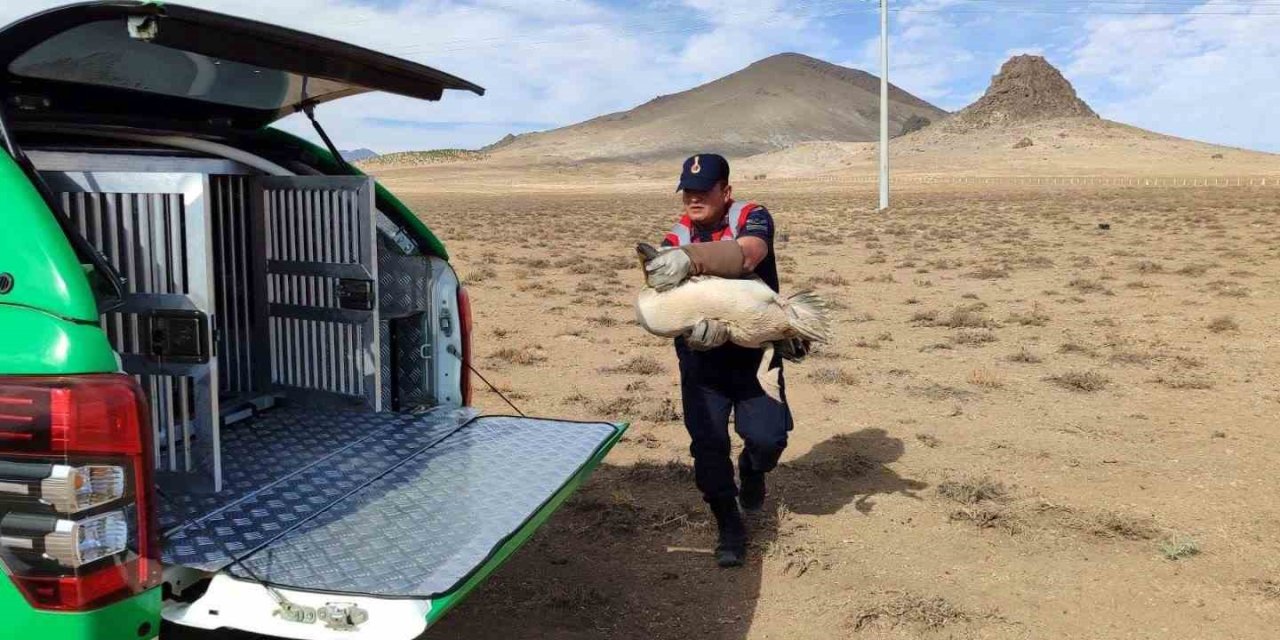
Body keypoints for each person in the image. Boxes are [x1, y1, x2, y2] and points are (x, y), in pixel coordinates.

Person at [643, 153, 808, 568]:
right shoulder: (674, 237)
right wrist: (688, 334)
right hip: (703, 364)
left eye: (704, 191)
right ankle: (728, 525)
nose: (694, 200)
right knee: (708, 447)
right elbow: (667, 304)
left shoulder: (751, 216)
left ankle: (753, 469)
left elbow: (750, 254)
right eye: (688, 193)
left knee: (769, 440)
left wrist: (692, 259)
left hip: (755, 358)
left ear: (726, 191)